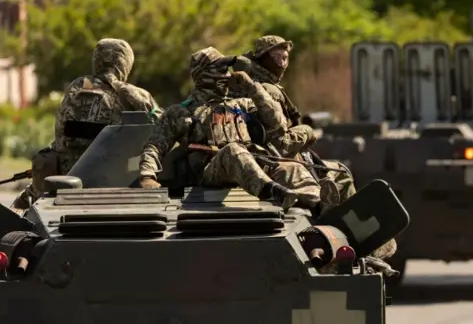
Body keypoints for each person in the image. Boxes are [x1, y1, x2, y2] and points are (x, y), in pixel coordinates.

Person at [137, 46, 337, 213]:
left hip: (255, 162)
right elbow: (154, 146)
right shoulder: (180, 112)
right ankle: (274, 193)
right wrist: (147, 176)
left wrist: (253, 88)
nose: (228, 74)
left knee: (291, 169)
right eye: (222, 69)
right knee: (233, 151)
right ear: (204, 74)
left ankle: (322, 207)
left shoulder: (241, 104)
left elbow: (277, 123)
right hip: (211, 170)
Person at [11, 38, 162, 211]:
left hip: (64, 181)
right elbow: (164, 131)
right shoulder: (136, 95)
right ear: (125, 63)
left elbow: (62, 136)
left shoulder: (76, 88)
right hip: (113, 185)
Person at [234, 35, 357, 202]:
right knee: (342, 174)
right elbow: (281, 145)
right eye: (276, 58)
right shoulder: (269, 90)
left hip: (255, 162)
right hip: (277, 165)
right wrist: (306, 131)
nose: (282, 64)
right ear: (263, 58)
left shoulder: (245, 84)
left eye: (285, 58)